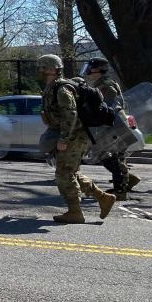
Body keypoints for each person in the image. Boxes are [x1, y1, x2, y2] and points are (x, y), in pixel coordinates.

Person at [37, 54, 116, 224]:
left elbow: (70, 115)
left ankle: (75, 212)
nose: (40, 71)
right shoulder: (52, 87)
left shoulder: (62, 89)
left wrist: (64, 139)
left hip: (74, 136)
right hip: (71, 135)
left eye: (42, 67)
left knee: (64, 174)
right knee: (71, 172)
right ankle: (103, 198)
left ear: (51, 69)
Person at [82, 57, 141, 200]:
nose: (88, 71)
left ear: (99, 69)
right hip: (116, 124)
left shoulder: (107, 86)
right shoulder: (100, 84)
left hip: (115, 125)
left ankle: (120, 191)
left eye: (91, 68)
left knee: (110, 156)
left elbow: (110, 106)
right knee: (115, 157)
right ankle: (127, 181)